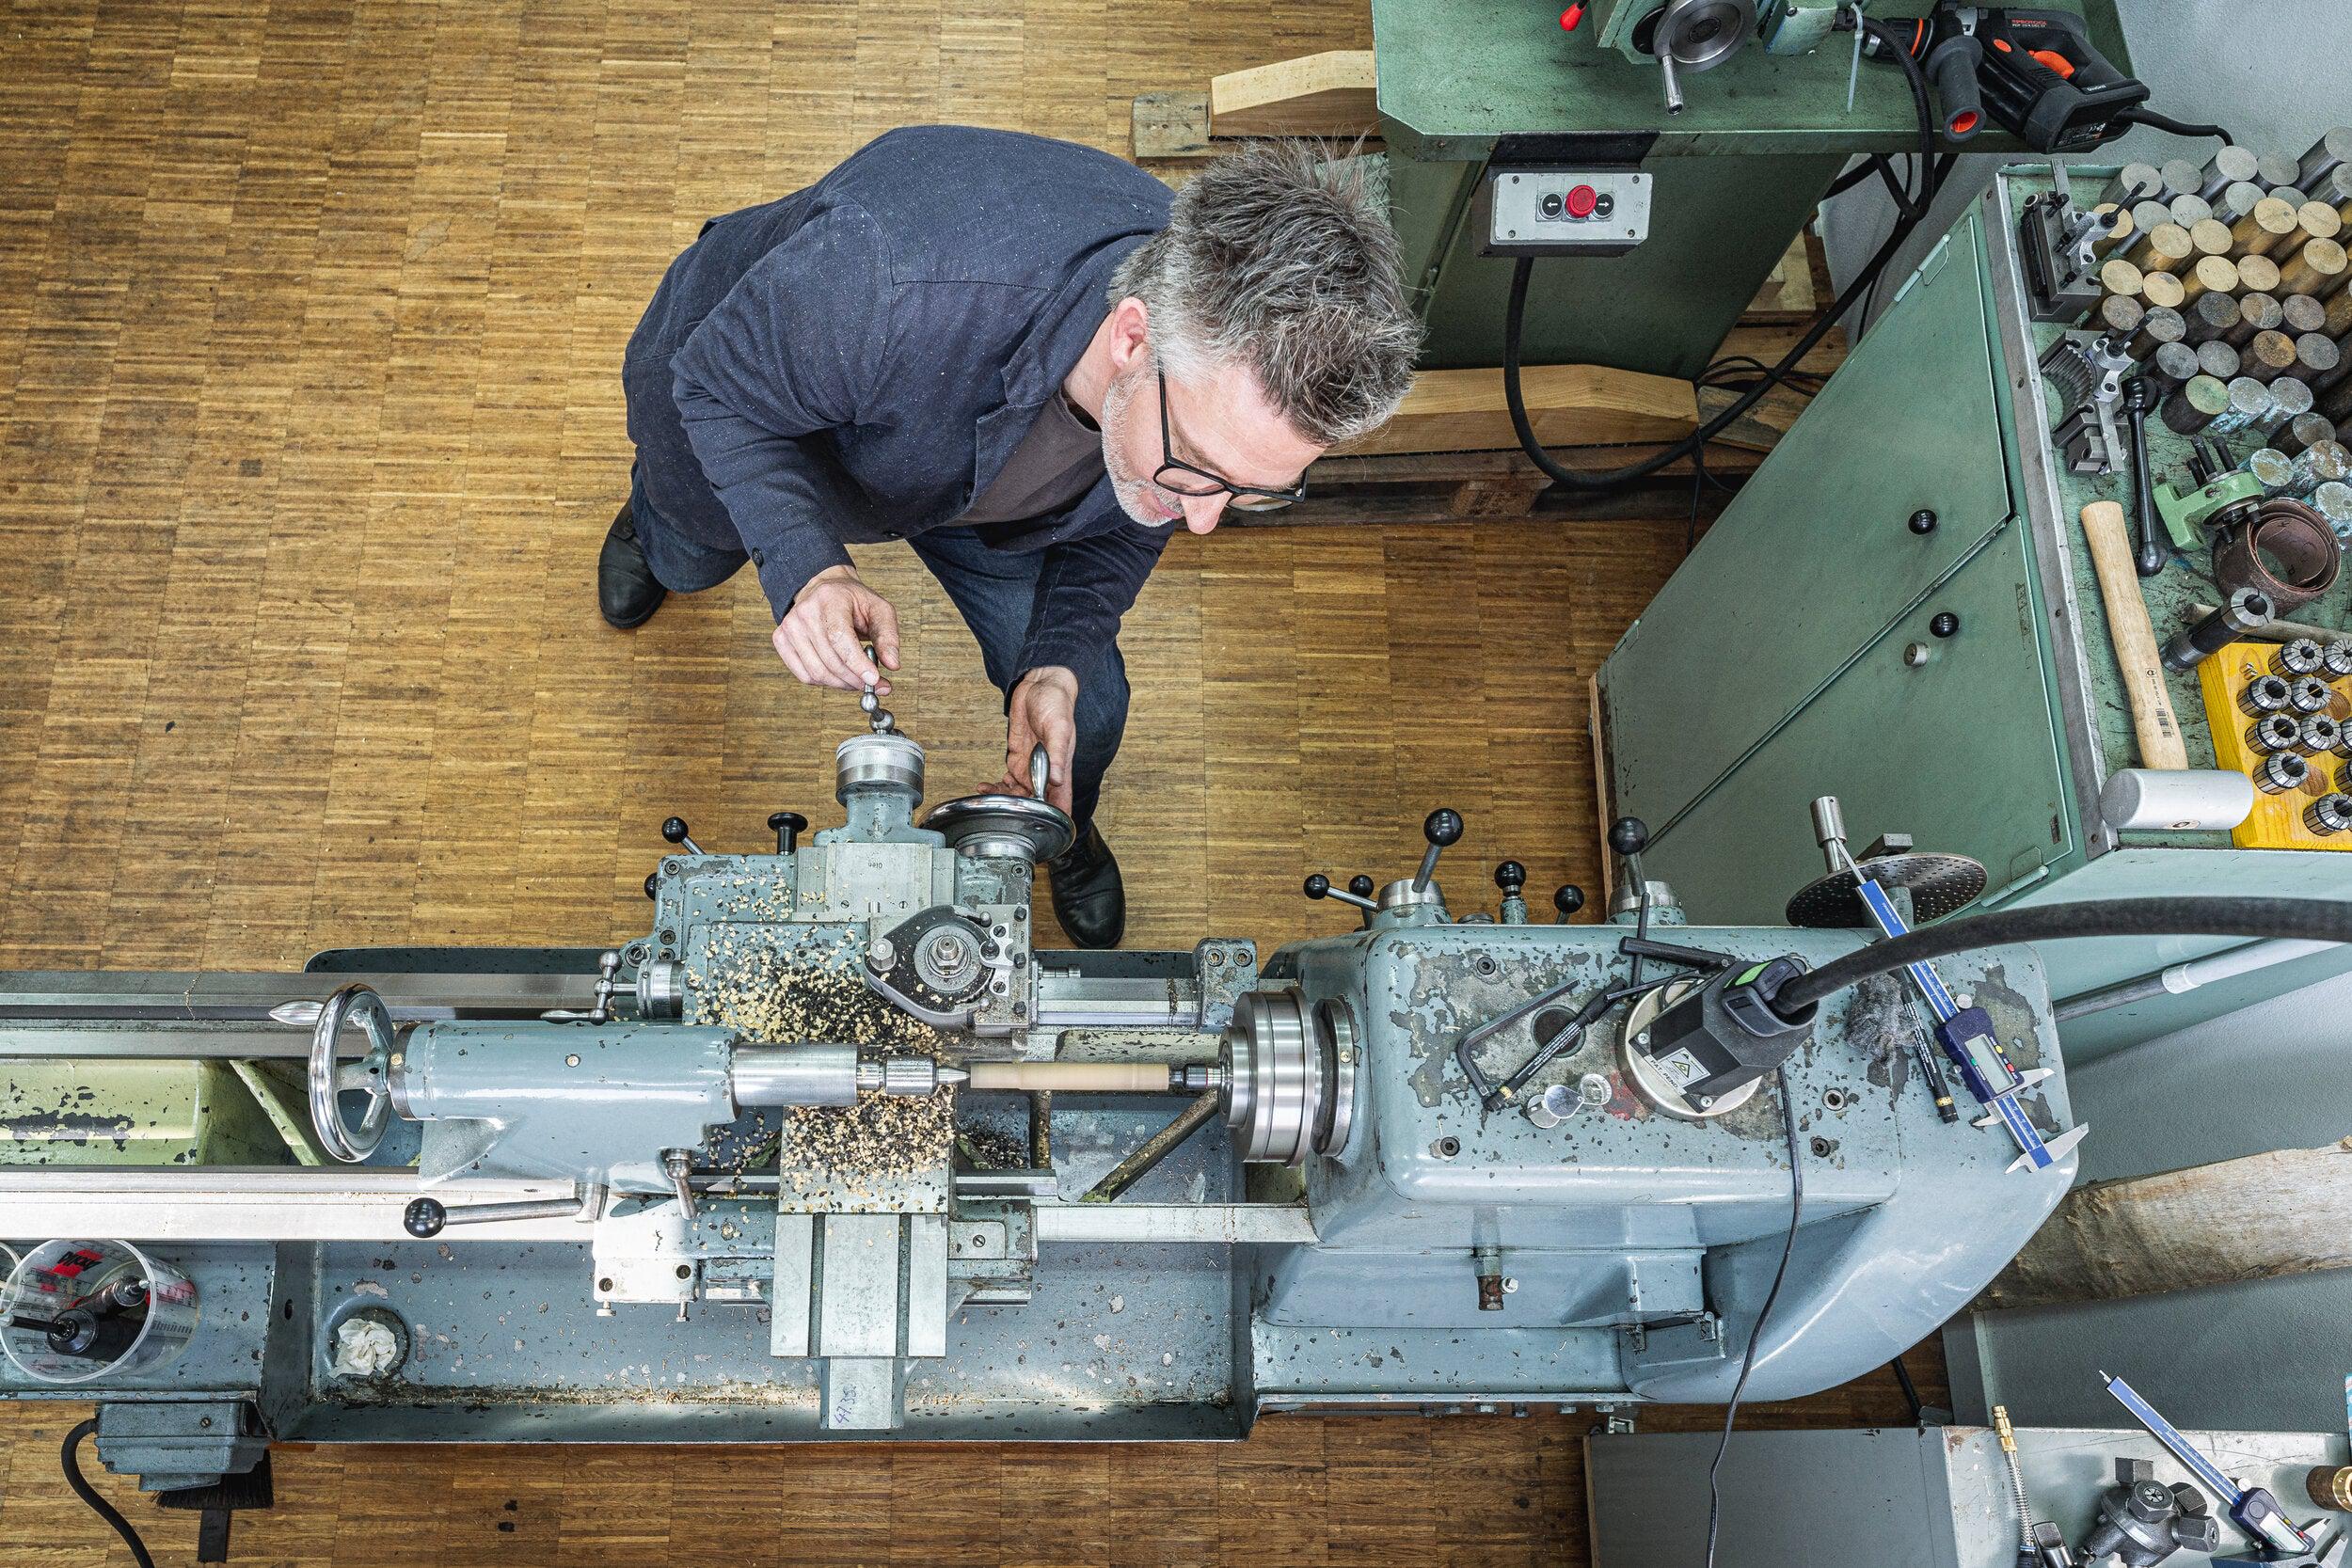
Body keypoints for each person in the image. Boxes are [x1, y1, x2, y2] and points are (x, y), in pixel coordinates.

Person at [603, 127, 1421, 946]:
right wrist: (808, 567)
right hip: (768, 402)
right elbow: (713, 384)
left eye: (1250, 491)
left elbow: (1137, 512)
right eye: (1200, 470)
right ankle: (650, 523)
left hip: (982, 487)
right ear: (1131, 338)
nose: (1205, 519)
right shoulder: (885, 281)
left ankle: (1061, 828)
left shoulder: (1193, 368)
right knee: (688, 547)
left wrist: (1058, 659)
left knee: (1088, 707)